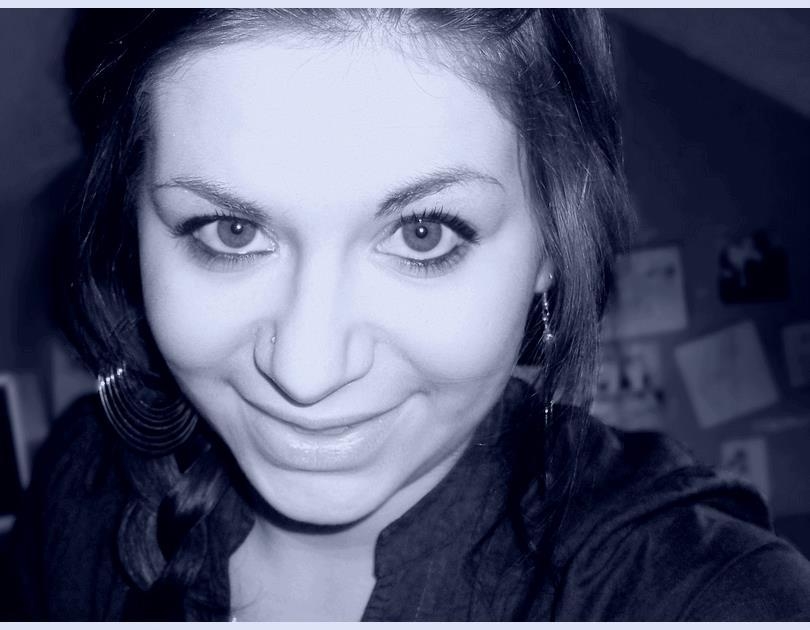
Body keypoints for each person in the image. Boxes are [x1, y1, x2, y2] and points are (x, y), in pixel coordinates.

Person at [3, 8, 810, 621]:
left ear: (551, 249)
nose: (307, 373)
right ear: (132, 229)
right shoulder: (83, 483)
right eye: (231, 231)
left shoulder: (701, 595)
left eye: (424, 235)